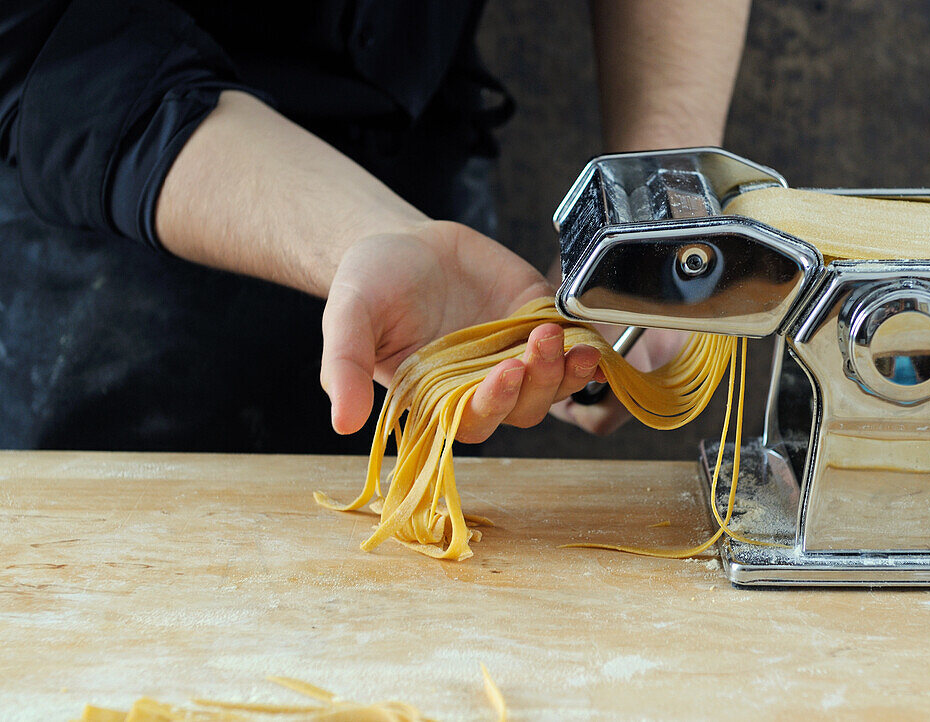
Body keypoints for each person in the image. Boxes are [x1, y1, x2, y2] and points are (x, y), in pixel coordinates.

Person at [0, 0, 750, 453]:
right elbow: (46, 46)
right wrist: (372, 236)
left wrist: (656, 210)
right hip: (121, 224)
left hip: (440, 244)